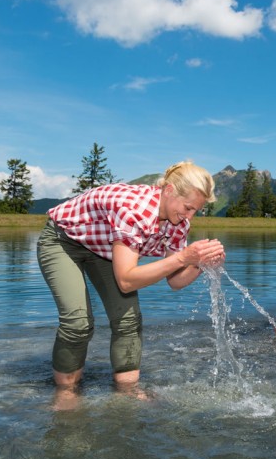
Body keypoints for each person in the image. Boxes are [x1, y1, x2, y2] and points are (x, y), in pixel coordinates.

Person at [37, 161, 225, 408]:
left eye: (195, 211)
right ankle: (66, 394)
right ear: (168, 190)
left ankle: (126, 391)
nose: (189, 216)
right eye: (187, 207)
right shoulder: (134, 209)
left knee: (128, 320)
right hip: (63, 240)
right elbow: (126, 281)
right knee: (78, 322)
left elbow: (176, 281)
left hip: (103, 249)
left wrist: (201, 263)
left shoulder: (178, 222)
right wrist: (183, 257)